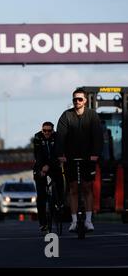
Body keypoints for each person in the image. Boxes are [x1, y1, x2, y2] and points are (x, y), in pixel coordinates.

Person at [56, 88, 103, 232]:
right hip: (70, 157)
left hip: (88, 157)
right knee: (73, 189)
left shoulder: (92, 115)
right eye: (75, 99)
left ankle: (88, 221)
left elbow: (98, 136)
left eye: (80, 99)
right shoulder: (66, 116)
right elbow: (60, 137)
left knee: (87, 187)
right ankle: (74, 221)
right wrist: (60, 154)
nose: (77, 102)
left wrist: (95, 153)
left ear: (85, 101)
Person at [32, 121, 63, 232]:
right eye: (44, 130)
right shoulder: (37, 137)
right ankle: (43, 223)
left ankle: (59, 203)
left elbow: (57, 153)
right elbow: (38, 154)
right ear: (42, 130)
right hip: (40, 167)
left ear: (52, 130)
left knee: (60, 181)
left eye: (49, 130)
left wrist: (49, 165)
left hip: (53, 165)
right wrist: (42, 168)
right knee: (41, 196)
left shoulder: (57, 137)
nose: (46, 133)